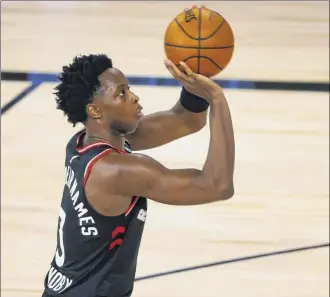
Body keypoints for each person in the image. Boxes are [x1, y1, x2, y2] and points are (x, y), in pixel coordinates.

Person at [42, 53, 235, 297]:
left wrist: (196, 70)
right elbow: (218, 186)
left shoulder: (86, 141)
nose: (134, 97)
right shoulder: (116, 172)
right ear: (95, 110)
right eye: (121, 93)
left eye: (129, 89)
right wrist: (216, 98)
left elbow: (186, 120)